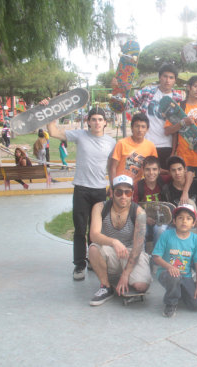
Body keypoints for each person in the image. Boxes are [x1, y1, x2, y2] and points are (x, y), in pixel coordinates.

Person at [47, 107, 116, 280]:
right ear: (88, 121)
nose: (97, 122)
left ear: (105, 122)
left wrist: (113, 186)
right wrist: (51, 111)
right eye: (94, 119)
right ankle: (79, 264)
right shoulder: (80, 135)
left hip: (100, 190)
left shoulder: (111, 142)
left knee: (96, 229)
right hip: (81, 189)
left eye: (100, 119)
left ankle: (93, 260)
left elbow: (112, 166)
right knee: (80, 228)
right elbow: (53, 132)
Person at [88, 175, 152, 306]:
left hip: (131, 252)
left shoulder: (139, 213)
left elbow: (138, 247)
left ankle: (122, 275)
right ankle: (105, 286)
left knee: (141, 286)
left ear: (132, 194)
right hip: (110, 251)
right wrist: (114, 242)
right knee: (93, 248)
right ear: (111, 193)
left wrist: (126, 274)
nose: (123, 196)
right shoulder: (100, 207)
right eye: (118, 192)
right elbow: (93, 235)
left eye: (127, 192)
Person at [152, 203, 197, 318]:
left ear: (194, 223)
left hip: (185, 275)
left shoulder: (196, 239)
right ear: (174, 221)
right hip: (166, 273)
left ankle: (180, 292)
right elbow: (156, 257)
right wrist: (169, 267)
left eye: (188, 218)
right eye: (180, 218)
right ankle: (170, 303)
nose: (184, 221)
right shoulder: (167, 235)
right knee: (174, 276)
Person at [129, 63, 182, 169]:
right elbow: (128, 103)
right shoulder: (147, 91)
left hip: (166, 145)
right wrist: (118, 89)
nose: (167, 80)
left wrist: (174, 150)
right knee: (141, 175)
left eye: (171, 77)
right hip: (145, 143)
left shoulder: (177, 99)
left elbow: (177, 128)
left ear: (174, 80)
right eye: (165, 76)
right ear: (159, 77)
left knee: (164, 179)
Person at [165, 156, 197, 252]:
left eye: (179, 169)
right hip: (177, 224)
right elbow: (168, 212)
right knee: (167, 233)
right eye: (173, 170)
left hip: (196, 221)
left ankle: (195, 261)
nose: (177, 173)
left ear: (185, 169)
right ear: (169, 172)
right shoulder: (167, 190)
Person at [108, 112, 157, 184]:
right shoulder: (121, 143)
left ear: (147, 129)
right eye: (137, 126)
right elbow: (113, 167)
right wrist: (113, 186)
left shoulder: (151, 146)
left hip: (137, 187)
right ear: (131, 127)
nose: (140, 130)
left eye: (143, 127)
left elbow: (154, 167)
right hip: (120, 186)